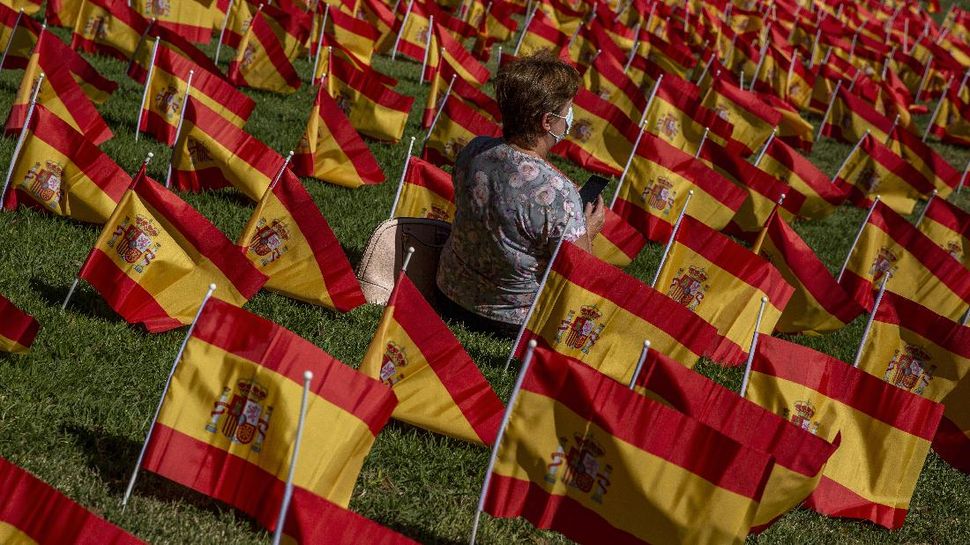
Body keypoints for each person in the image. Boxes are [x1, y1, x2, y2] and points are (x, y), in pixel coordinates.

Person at [436, 50, 606, 337]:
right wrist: (588, 230)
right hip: (507, 323)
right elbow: (577, 276)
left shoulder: (475, 150)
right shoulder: (558, 195)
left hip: (447, 294)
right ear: (546, 122)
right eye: (567, 111)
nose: (570, 118)